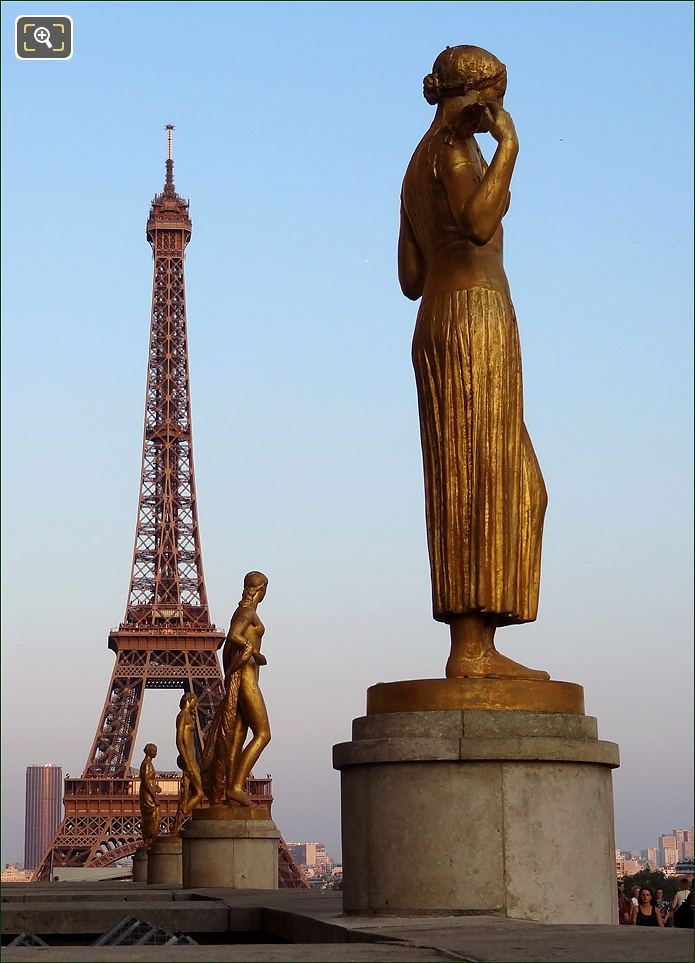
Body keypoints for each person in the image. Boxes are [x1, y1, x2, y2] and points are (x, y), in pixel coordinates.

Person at [399, 45, 548, 680]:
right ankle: (470, 648)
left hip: (439, 316)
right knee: (483, 472)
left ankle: (477, 642)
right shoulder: (456, 150)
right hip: (474, 322)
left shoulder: (416, 163)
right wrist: (510, 150)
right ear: (483, 96)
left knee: (504, 482)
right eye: (500, 100)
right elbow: (481, 223)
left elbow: (409, 276)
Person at [201, 572, 270, 806]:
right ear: (261, 589)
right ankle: (236, 786)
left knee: (237, 735)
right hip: (246, 679)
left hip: (244, 677)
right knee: (263, 734)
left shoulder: (245, 611)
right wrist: (256, 653)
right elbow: (233, 636)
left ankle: (232, 788)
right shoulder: (247, 612)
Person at [172, 692, 204, 833]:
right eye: (195, 701)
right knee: (199, 792)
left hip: (192, 760)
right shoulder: (182, 716)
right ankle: (180, 817)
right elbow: (179, 740)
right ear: (189, 700)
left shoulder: (187, 716)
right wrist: (187, 763)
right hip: (189, 760)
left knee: (193, 792)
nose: (196, 704)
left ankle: (179, 819)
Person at [138, 743, 161, 847]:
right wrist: (154, 796)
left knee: (155, 816)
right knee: (153, 816)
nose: (156, 753)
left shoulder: (147, 763)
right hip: (148, 795)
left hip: (148, 792)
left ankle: (150, 838)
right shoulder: (146, 764)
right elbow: (146, 781)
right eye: (155, 751)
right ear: (150, 751)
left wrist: (155, 788)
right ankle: (149, 839)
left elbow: (148, 781)